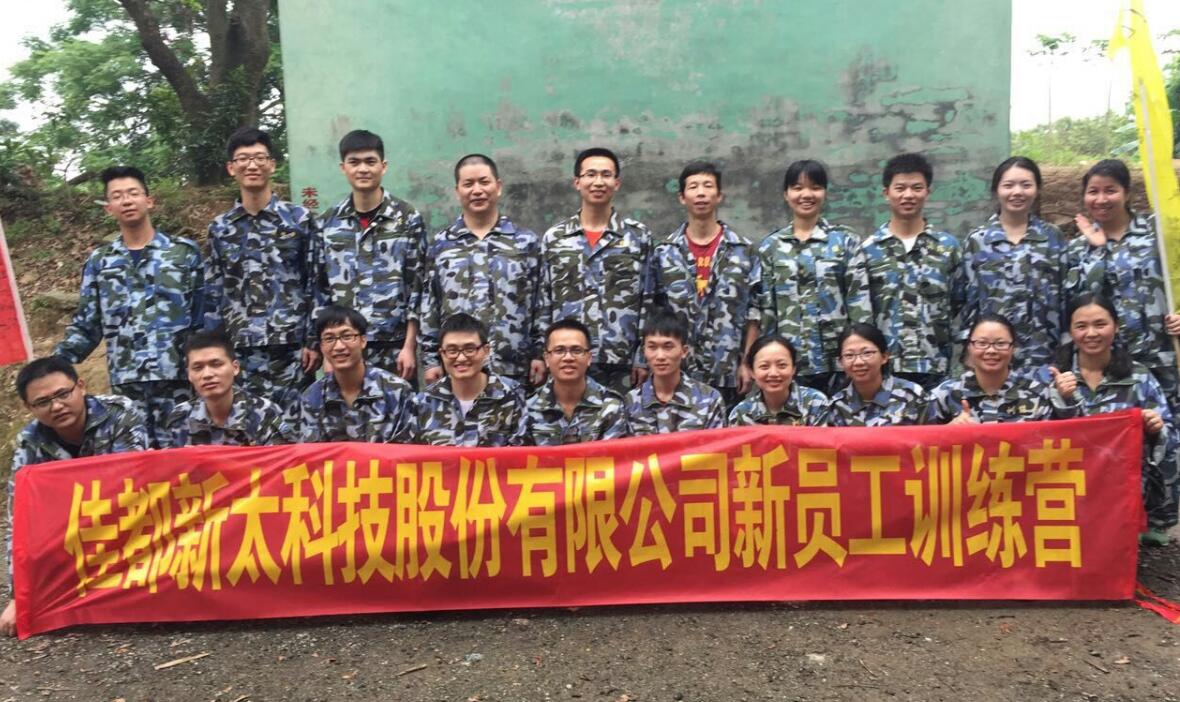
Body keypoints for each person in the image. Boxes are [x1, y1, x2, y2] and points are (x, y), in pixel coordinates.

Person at [54, 166, 203, 448]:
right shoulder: (101, 261)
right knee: (134, 461)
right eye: (117, 196)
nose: (126, 201)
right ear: (109, 208)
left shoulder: (183, 253)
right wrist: (55, 363)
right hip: (127, 385)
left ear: (149, 200)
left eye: (133, 193)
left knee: (182, 460)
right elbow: (87, 323)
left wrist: (205, 367)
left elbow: (204, 318)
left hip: (178, 381)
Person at [3, 356, 148, 637]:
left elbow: (135, 485)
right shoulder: (30, 443)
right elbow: (18, 521)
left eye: (63, 394)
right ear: (29, 407)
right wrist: (18, 597)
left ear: (81, 386)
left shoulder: (119, 413)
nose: (57, 406)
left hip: (129, 524)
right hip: (72, 536)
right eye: (43, 402)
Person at [204, 127, 319, 415]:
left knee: (297, 425)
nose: (252, 165)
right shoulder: (220, 228)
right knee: (248, 426)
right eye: (243, 159)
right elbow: (214, 292)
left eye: (259, 158)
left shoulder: (299, 220)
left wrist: (314, 340)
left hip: (292, 348)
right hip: (241, 349)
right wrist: (216, 351)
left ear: (272, 164)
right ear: (231, 168)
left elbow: (316, 282)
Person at [1048, 293, 1178, 544]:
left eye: (1100, 324)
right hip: (1070, 487)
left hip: (1123, 486)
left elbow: (1169, 435)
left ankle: (1147, 522)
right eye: (1081, 326)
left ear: (1116, 326)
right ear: (1070, 331)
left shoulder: (1139, 376)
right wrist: (1063, 399)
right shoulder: (1054, 376)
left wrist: (1155, 428)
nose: (1091, 333)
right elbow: (1037, 437)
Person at [1067, 159, 1180, 423]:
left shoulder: (1159, 233)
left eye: (1110, 190)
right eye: (1093, 191)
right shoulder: (1077, 248)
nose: (1101, 199)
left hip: (1163, 353)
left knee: (1167, 426)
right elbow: (1082, 301)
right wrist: (1097, 249)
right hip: (1112, 361)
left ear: (1127, 193)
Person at [535, 147, 654, 395]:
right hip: (567, 359)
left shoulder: (638, 237)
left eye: (606, 175)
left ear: (617, 183)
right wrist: (541, 353)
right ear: (577, 182)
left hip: (621, 361)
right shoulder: (555, 238)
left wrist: (643, 356)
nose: (598, 182)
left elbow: (649, 299)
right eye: (590, 174)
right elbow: (544, 301)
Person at [419, 154, 543, 388]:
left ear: (498, 187)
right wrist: (430, 360)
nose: (477, 190)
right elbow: (430, 306)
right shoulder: (442, 245)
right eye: (468, 184)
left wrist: (539, 353)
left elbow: (540, 302)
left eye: (484, 182)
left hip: (514, 368)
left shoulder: (525, 242)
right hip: (458, 368)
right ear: (457, 191)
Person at [314, 130, 425, 380]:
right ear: (343, 168)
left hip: (394, 347)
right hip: (343, 348)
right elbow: (320, 291)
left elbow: (417, 287)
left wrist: (409, 347)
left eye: (370, 161)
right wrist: (327, 353)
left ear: (383, 166)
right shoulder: (327, 223)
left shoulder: (407, 219)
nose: (363, 169)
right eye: (354, 162)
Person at [650, 161, 760, 407]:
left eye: (708, 186)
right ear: (682, 197)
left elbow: (755, 311)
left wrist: (747, 362)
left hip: (727, 371)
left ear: (719, 195)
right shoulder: (664, 252)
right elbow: (655, 310)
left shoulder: (743, 250)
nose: (701, 193)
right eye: (693, 187)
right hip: (677, 371)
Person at [756, 159, 871, 394]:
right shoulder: (771, 246)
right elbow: (767, 310)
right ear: (786, 194)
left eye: (815, 187)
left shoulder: (845, 241)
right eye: (798, 188)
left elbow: (859, 302)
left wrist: (860, 354)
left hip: (840, 363)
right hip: (791, 365)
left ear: (824, 193)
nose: (806, 195)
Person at [860, 153, 966, 390]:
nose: (908, 195)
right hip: (883, 370)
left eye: (916, 188)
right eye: (900, 188)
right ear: (886, 192)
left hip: (935, 367)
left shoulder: (947, 248)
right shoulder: (868, 251)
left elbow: (958, 302)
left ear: (928, 191)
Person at [961, 157, 1068, 369]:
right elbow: (967, 302)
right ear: (996, 190)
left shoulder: (1052, 237)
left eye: (1026, 185)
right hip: (992, 355)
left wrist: (1065, 349)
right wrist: (968, 348)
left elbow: (1065, 296)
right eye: (1008, 185)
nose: (1017, 192)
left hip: (1043, 354)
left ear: (1037, 190)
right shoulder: (978, 240)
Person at [298, 305, 418, 443]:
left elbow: (409, 450)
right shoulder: (312, 397)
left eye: (347, 336)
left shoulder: (398, 391)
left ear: (363, 340)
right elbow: (312, 452)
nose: (339, 346)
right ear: (321, 347)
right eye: (329, 339)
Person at [164, 327, 295, 447]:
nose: (207, 374)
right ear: (189, 375)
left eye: (216, 364)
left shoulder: (265, 413)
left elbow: (285, 461)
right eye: (198, 368)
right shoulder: (180, 416)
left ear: (235, 368)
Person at [415, 313, 529, 446]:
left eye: (469, 349)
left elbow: (521, 453)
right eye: (452, 351)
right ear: (442, 354)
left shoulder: (511, 396)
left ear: (486, 351)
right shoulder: (424, 403)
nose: (461, 358)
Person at [926, 314, 1062, 424]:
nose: (991, 350)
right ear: (969, 347)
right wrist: (949, 430)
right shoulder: (946, 394)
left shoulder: (1037, 394)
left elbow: (1053, 441)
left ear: (1013, 348)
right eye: (982, 343)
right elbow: (920, 439)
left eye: (1000, 343)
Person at [622, 309, 726, 435]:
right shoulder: (631, 401)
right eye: (652, 347)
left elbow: (717, 445)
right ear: (644, 351)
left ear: (684, 351)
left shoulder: (709, 399)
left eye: (668, 347)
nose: (660, 356)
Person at [528, 318, 628, 445]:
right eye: (559, 350)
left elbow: (614, 455)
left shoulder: (611, 406)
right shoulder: (530, 407)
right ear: (546, 359)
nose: (568, 358)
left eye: (577, 350)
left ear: (589, 358)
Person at [827, 323, 928, 426]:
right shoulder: (836, 406)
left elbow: (933, 433)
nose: (858, 362)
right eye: (849, 355)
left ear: (884, 357)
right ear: (840, 362)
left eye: (867, 353)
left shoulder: (912, 396)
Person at [728, 335, 829, 426]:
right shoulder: (741, 413)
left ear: (793, 368)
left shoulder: (815, 403)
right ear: (752, 372)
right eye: (764, 366)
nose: (773, 373)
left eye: (782, 365)